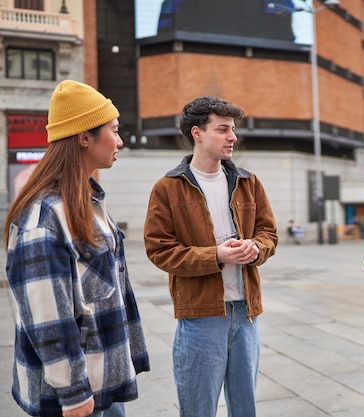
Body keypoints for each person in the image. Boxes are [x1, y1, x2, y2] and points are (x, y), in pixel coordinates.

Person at [4, 80, 150, 417]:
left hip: (102, 385)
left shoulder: (87, 200)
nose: (121, 140)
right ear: (84, 137)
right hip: (74, 398)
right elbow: (46, 316)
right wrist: (73, 394)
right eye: (113, 130)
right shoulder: (44, 216)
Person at [143, 96, 278, 417]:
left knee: (245, 408)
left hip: (246, 314)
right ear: (197, 133)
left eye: (232, 129)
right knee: (198, 408)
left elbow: (269, 234)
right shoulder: (168, 187)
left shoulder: (248, 182)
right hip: (200, 316)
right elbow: (159, 250)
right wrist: (214, 255)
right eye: (223, 129)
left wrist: (256, 248)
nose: (232, 137)